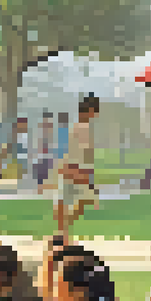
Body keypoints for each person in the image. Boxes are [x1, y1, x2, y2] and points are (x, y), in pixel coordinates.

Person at [53, 95, 100, 236]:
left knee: (74, 199)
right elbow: (79, 153)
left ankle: (63, 230)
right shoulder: (82, 128)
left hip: (74, 168)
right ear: (90, 110)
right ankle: (62, 231)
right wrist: (81, 173)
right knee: (77, 199)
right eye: (95, 111)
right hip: (75, 168)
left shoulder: (79, 127)